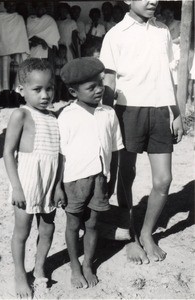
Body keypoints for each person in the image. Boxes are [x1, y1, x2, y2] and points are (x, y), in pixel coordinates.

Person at [100, 0, 184, 265]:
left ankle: (147, 233)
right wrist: (105, 118)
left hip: (160, 112)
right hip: (128, 111)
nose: (153, 1)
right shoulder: (115, 35)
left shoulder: (163, 31)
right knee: (126, 175)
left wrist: (177, 113)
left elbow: (169, 75)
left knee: (163, 179)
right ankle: (132, 237)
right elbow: (109, 81)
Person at [55, 57, 124, 289]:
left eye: (100, 84)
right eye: (90, 87)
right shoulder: (66, 116)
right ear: (74, 91)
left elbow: (115, 150)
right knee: (74, 224)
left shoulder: (108, 113)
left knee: (93, 223)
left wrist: (111, 179)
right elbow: (60, 155)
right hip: (74, 180)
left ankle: (87, 265)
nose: (98, 90)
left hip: (100, 178)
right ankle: (75, 266)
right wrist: (58, 186)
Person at [3, 58, 60, 299]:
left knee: (47, 228)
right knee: (22, 231)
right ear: (21, 90)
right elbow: (7, 152)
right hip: (26, 181)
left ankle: (39, 268)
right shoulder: (21, 115)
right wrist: (16, 187)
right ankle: (19, 273)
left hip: (49, 180)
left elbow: (59, 156)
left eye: (49, 88)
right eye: (37, 89)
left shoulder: (55, 118)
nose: (44, 95)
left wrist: (57, 186)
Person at [0, 1, 29, 107]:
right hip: (4, 50)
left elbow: (21, 35)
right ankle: (6, 100)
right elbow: (1, 34)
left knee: (18, 75)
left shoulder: (19, 18)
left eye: (13, 5)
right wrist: (7, 49)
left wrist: (17, 49)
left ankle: (15, 98)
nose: (11, 7)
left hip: (18, 49)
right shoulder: (0, 17)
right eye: (8, 5)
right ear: (5, 6)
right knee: (4, 75)